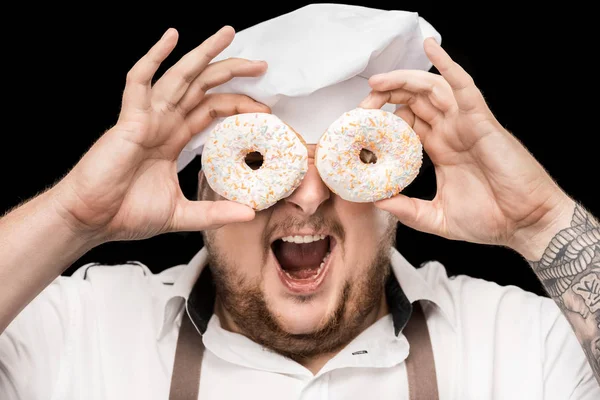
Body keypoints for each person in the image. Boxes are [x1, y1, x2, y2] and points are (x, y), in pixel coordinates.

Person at [1, 4, 599, 399]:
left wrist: (540, 224)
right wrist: (74, 216)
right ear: (205, 183)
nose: (309, 197)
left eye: (347, 165)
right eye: (264, 164)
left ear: (389, 187)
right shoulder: (78, 331)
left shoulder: (519, 341)